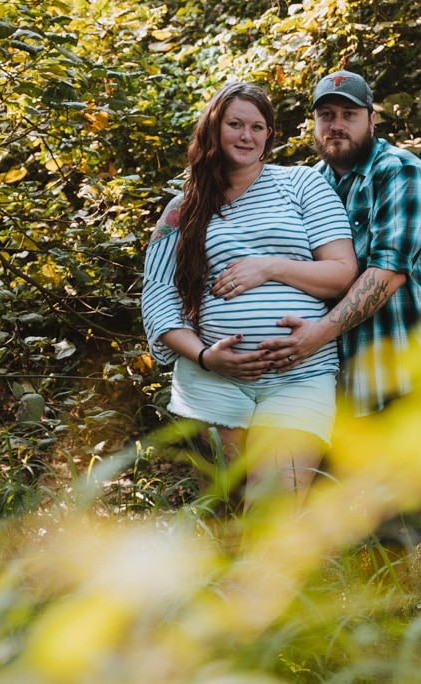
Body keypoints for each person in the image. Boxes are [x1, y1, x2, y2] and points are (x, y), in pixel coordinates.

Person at [257, 71, 421, 543]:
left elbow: (385, 274)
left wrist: (314, 337)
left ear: (371, 119)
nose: (337, 125)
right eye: (326, 115)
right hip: (343, 367)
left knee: (395, 516)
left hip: (404, 367)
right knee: (324, 497)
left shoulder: (402, 173)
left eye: (349, 114)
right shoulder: (312, 184)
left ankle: (406, 607)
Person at [141, 82, 357, 511]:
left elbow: (342, 273)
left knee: (273, 508)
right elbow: (158, 296)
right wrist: (205, 356)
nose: (246, 136)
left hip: (300, 375)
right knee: (222, 507)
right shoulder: (182, 208)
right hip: (213, 380)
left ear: (269, 135)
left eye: (257, 127)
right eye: (235, 124)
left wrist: (270, 266)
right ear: (213, 130)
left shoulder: (302, 185)